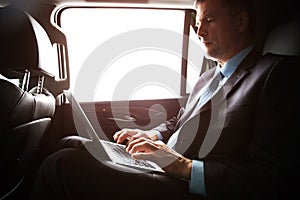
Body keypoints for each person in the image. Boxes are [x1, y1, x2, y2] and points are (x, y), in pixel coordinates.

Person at [31, 0, 299, 199]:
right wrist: (152, 136)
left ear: (241, 22)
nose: (199, 31)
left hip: (187, 185)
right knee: (71, 143)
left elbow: (271, 178)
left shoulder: (274, 74)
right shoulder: (208, 77)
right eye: (197, 23)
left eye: (210, 20)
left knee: (61, 165)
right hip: (162, 165)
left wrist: (183, 166)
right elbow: (178, 121)